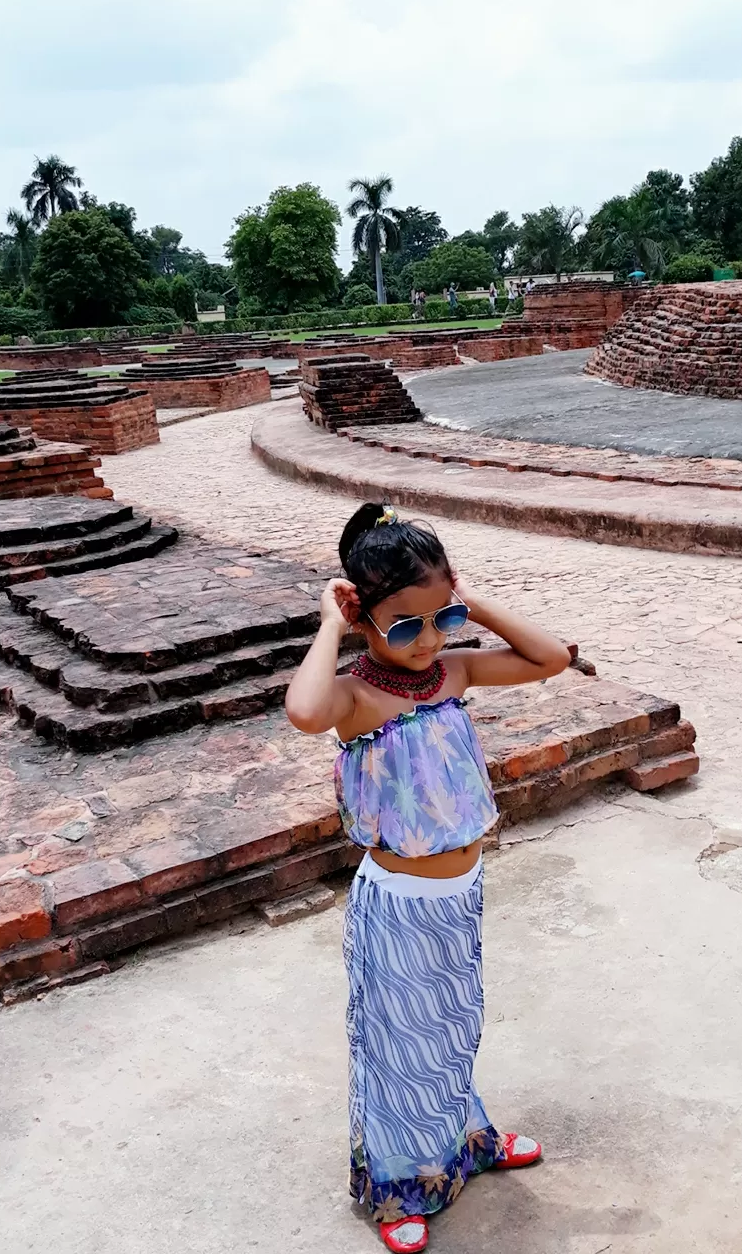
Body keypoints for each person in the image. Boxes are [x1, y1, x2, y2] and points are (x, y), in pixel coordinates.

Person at [286, 504, 569, 1253]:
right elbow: (305, 711)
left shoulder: (453, 673)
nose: (428, 640)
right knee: (397, 1044)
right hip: (400, 902)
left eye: (439, 618)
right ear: (365, 621)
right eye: (405, 626)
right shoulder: (356, 698)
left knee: (450, 1029)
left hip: (460, 891)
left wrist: (465, 603)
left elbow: (550, 658)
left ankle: (464, 1140)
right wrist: (329, 624)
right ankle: (399, 1186)